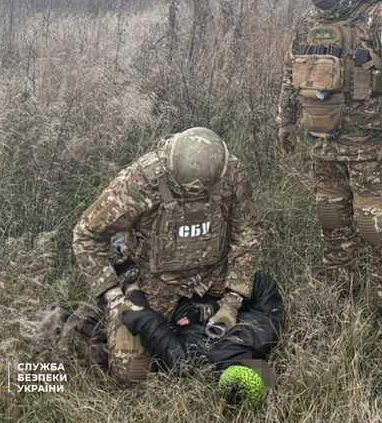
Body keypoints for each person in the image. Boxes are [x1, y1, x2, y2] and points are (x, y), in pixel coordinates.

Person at [67, 126, 282, 404]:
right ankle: (111, 310)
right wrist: (113, 296)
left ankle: (190, 318)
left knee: (259, 307)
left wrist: (232, 300)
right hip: (154, 280)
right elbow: (87, 234)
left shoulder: (230, 172)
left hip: (211, 274)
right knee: (131, 374)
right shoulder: (141, 180)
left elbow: (248, 232)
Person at [276, 0, 382, 314]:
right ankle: (341, 296)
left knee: (374, 225)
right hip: (323, 143)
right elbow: (291, 74)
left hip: (370, 148)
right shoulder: (309, 23)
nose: (318, 0)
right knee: (332, 221)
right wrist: (286, 121)